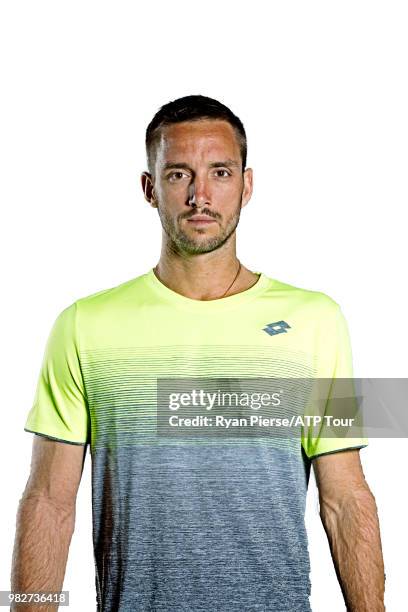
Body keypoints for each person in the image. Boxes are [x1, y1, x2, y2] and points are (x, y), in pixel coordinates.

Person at [11, 95, 385, 611]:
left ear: (247, 185)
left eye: (221, 173)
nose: (200, 196)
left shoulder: (317, 320)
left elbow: (346, 498)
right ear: (149, 188)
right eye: (179, 175)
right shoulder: (84, 325)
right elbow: (48, 501)